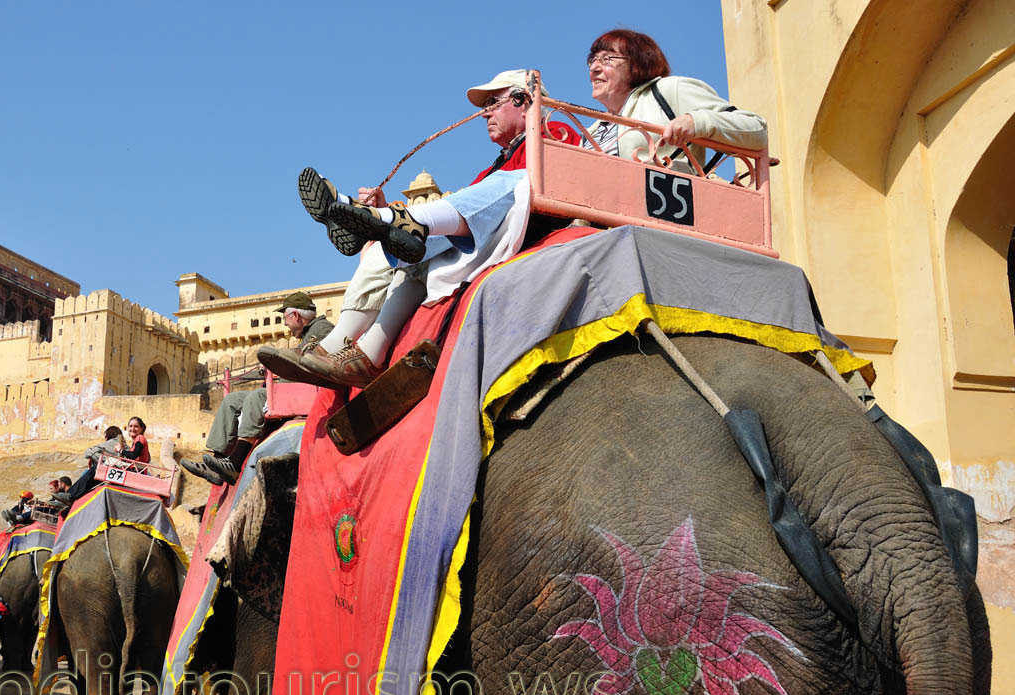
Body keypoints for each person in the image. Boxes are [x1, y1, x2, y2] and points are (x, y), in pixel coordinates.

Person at [261, 68, 580, 388]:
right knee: (388, 256)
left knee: (509, 183)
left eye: (493, 103)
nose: (485, 115)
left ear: (523, 100)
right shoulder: (494, 166)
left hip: (517, 228)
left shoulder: (555, 135)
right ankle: (340, 347)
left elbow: (506, 198)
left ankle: (381, 219)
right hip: (479, 236)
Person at [180, 291, 333, 485]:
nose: (284, 323)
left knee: (256, 398)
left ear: (295, 315)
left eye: (285, 317)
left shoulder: (321, 329)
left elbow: (309, 364)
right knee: (231, 401)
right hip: (291, 386)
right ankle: (217, 461)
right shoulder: (310, 333)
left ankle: (234, 464)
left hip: (305, 389)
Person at [580, 28, 766, 171]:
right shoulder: (592, 130)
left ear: (637, 66)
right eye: (593, 60)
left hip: (657, 214)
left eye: (606, 59)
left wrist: (696, 121)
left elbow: (756, 129)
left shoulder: (667, 89)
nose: (594, 67)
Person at [53, 417, 150, 507]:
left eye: (136, 426)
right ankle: (70, 498)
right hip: (134, 471)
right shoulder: (134, 443)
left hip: (134, 473)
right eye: (130, 426)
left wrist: (120, 450)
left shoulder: (140, 438)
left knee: (95, 470)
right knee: (95, 475)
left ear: (142, 428)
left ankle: (70, 496)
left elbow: (134, 455)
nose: (132, 429)